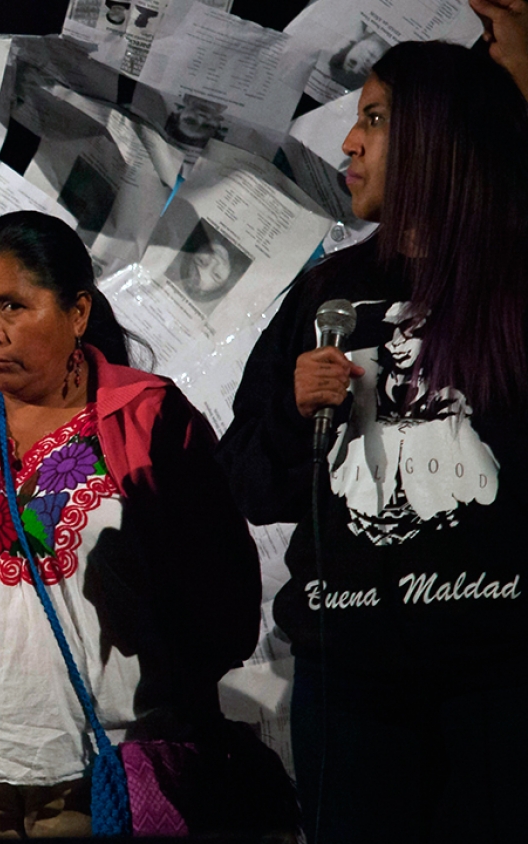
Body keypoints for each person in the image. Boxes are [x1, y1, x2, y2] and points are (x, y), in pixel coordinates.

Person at [216, 42, 528, 843]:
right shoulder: (327, 292)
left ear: (440, 136)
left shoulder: (513, 283)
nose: (349, 144)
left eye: (377, 120)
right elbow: (250, 483)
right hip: (348, 679)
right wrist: (290, 408)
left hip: (498, 677)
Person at [0, 211, 282, 838]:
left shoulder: (147, 421)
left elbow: (224, 599)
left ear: (77, 313)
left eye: (12, 306)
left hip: (101, 767)